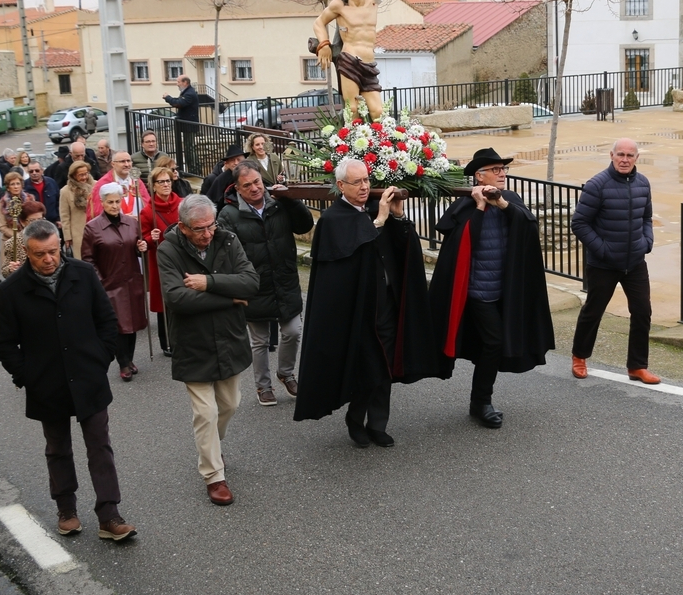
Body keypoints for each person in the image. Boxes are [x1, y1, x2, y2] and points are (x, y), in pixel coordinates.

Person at [0, 218, 137, 542]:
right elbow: (2, 342)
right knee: (58, 448)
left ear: (61, 246)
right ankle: (66, 509)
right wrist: (26, 375)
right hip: (47, 383)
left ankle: (109, 514)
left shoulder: (82, 274)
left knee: (100, 445)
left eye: (53, 252)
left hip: (89, 376)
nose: (48, 259)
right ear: (27, 253)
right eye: (40, 254)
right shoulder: (12, 290)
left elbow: (107, 321)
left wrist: (101, 359)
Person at [294, 158, 435, 447]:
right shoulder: (334, 219)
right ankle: (356, 420)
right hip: (356, 310)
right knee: (367, 368)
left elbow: (401, 248)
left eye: (367, 180)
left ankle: (378, 423)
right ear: (341, 185)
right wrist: (380, 221)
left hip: (385, 304)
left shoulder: (374, 210)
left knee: (385, 368)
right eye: (357, 182)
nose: (364, 187)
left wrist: (396, 217)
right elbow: (351, 253)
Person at [429, 148, 554, 428]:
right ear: (479, 175)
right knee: (494, 341)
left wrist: (502, 205)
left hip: (503, 289)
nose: (502, 174)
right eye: (495, 170)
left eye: (503, 169)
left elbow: (529, 227)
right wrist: (481, 207)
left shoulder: (509, 199)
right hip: (476, 291)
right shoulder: (465, 204)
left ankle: (480, 400)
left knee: (491, 344)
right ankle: (481, 402)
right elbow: (462, 240)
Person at [157, 195, 260, 506]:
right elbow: (176, 299)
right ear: (184, 227)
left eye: (210, 225)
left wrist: (210, 282)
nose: (207, 233)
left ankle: (212, 445)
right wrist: (229, 298)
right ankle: (214, 475)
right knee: (206, 412)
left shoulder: (227, 240)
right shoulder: (168, 250)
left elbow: (251, 283)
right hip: (193, 342)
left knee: (230, 404)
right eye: (199, 228)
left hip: (228, 337)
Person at [216, 161, 313, 405]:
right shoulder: (228, 214)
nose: (254, 188)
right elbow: (224, 255)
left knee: (292, 331)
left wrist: (291, 200)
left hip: (284, 277)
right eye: (247, 185)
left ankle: (286, 373)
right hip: (253, 284)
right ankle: (263, 387)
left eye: (257, 182)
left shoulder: (279, 203)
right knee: (259, 341)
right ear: (237, 188)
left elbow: (305, 225)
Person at [570, 139, 658, 384]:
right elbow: (579, 223)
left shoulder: (643, 183)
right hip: (603, 264)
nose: (625, 159)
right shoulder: (597, 185)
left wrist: (647, 242)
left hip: (635, 262)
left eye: (630, 155)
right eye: (620, 154)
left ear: (636, 158)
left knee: (642, 312)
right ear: (611, 155)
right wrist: (603, 250)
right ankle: (579, 356)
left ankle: (637, 366)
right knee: (593, 311)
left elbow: (647, 218)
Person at [312, 0, 389, 118]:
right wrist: (323, 44)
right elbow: (319, 22)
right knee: (352, 109)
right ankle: (352, 146)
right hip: (349, 60)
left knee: (377, 111)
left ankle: (377, 145)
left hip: (369, 63)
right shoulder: (340, 6)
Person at [82, 184, 149, 381]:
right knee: (119, 325)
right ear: (102, 203)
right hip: (110, 283)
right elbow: (87, 259)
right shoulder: (92, 227)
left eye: (117, 201)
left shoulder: (131, 222)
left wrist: (141, 248)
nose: (114, 205)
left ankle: (130, 359)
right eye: (110, 202)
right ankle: (123, 362)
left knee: (133, 323)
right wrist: (99, 282)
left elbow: (137, 247)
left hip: (131, 279)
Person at [140, 164, 183, 358]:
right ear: (153, 186)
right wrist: (152, 237)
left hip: (182, 258)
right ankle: (166, 342)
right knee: (164, 301)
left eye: (168, 180)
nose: (165, 184)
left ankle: (184, 338)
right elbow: (142, 240)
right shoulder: (148, 211)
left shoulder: (183, 204)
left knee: (184, 296)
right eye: (161, 182)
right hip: (160, 260)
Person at [89, 152, 150, 219]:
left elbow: (148, 205)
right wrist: (121, 219)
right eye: (122, 161)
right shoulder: (103, 184)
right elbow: (97, 212)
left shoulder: (137, 182)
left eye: (128, 161)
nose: (127, 164)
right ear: (113, 164)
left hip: (138, 226)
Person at [0, 172, 37, 274]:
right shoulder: (2, 203)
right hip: (10, 241)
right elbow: (2, 226)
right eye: (12, 184)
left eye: (18, 183)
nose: (16, 187)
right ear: (8, 187)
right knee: (12, 273)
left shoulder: (30, 199)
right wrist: (18, 236)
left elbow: (36, 219)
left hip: (29, 240)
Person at [163, 75, 200, 172]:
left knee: (189, 148)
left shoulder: (189, 93)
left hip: (189, 125)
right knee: (188, 147)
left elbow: (179, 103)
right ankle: (192, 169)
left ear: (185, 82)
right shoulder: (186, 92)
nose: (177, 84)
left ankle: (194, 170)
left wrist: (168, 97)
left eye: (178, 82)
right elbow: (178, 102)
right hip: (186, 124)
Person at [1, 201, 46, 277]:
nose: (37, 223)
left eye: (40, 219)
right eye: (32, 220)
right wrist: (10, 269)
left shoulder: (51, 238)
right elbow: (4, 272)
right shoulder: (13, 243)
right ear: (22, 222)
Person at [60, 161, 94, 258]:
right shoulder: (65, 191)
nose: (84, 177)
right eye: (81, 175)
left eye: (86, 173)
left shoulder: (96, 185)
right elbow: (64, 216)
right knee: (81, 260)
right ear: (73, 176)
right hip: (78, 234)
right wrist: (67, 237)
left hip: (96, 230)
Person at [204, 146, 246, 211]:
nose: (236, 163)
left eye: (239, 159)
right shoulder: (220, 179)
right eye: (232, 160)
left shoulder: (249, 174)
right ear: (227, 163)